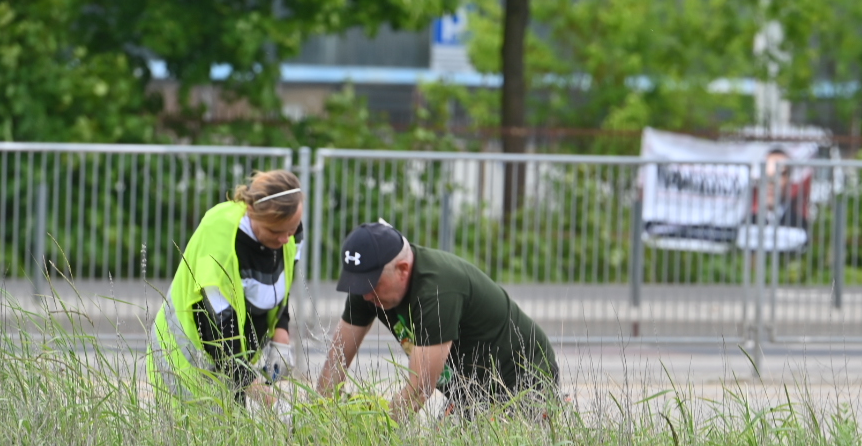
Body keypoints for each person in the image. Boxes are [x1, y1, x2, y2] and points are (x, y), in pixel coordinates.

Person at [315, 221, 559, 421]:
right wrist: (318, 419)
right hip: (467, 389)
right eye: (357, 285)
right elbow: (336, 360)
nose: (366, 295)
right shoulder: (367, 290)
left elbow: (419, 390)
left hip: (520, 383)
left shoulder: (437, 291)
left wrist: (375, 432)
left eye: (373, 285)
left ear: (402, 269)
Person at [146, 169, 303, 410]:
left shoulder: (290, 229)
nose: (285, 239)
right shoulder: (221, 236)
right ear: (252, 212)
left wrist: (281, 334)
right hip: (189, 357)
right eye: (275, 232)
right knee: (200, 436)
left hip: (234, 360)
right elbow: (219, 328)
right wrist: (257, 391)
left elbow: (283, 285)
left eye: (291, 231)